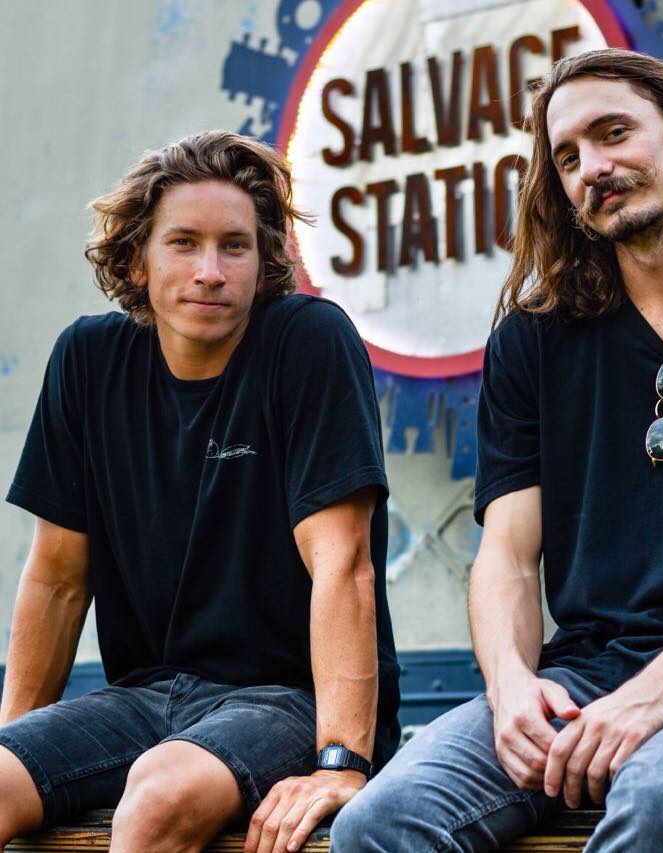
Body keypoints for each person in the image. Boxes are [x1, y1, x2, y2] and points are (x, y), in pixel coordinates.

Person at [331, 48, 663, 852]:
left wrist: (657, 693)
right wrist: (508, 689)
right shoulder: (534, 341)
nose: (591, 168)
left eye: (613, 134)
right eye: (566, 156)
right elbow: (505, 553)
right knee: (380, 821)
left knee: (660, 801)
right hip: (580, 678)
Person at [0, 131, 400, 853]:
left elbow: (342, 562)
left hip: (286, 699)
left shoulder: (306, 341)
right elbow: (58, 579)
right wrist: (18, 748)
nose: (210, 271)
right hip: (144, 694)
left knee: (160, 794)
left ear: (265, 259)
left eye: (235, 246)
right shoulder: (87, 362)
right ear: (136, 260)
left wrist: (340, 760)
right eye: (183, 243)